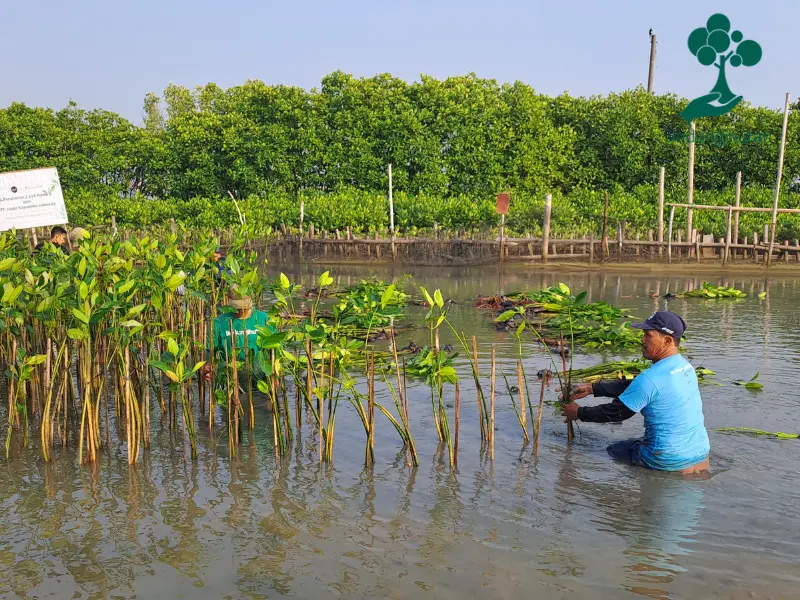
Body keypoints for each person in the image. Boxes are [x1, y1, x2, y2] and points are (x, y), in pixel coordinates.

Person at [561, 310, 710, 473]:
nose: (642, 340)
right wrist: (593, 388)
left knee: (612, 450)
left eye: (648, 335)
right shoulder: (684, 367)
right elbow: (639, 387)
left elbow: (616, 412)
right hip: (700, 453)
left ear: (667, 340)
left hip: (666, 459)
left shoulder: (650, 379)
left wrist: (578, 413)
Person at [202, 286, 274, 378]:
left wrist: (276, 374)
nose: (241, 310)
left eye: (244, 307)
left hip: (262, 378)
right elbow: (208, 350)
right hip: (230, 379)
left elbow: (275, 348)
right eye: (237, 308)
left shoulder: (264, 318)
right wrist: (207, 366)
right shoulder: (218, 323)